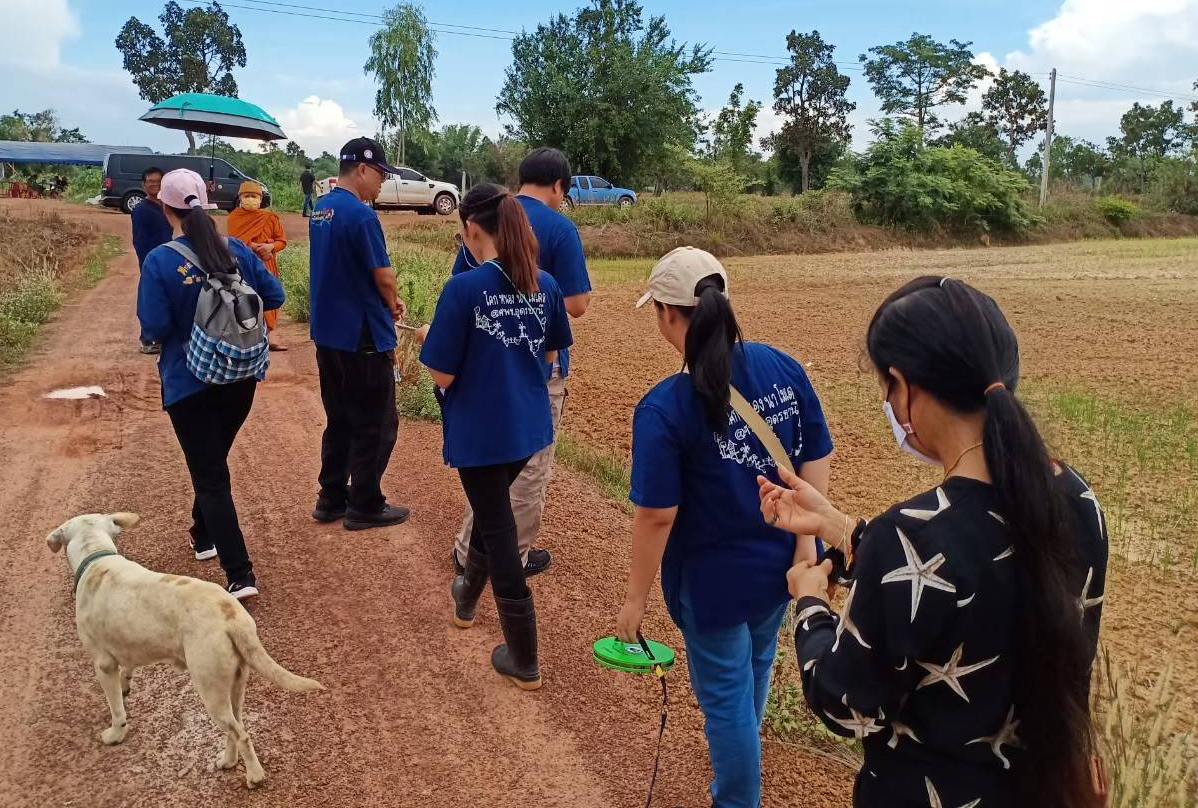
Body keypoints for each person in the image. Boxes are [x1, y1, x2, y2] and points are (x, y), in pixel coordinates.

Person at [758, 277, 1109, 808]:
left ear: (904, 387)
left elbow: (845, 703)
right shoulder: (1076, 499)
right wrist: (841, 528)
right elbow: (972, 566)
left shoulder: (912, 534)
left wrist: (809, 603)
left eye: (885, 390)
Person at [614, 246, 834, 808]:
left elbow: (658, 515)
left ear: (667, 313)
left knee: (726, 703)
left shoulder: (664, 407)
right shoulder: (782, 367)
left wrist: (634, 601)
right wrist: (804, 546)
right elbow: (815, 456)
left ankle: (737, 798)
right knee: (754, 674)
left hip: (710, 586)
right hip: (779, 569)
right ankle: (739, 775)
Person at [417, 184, 573, 690]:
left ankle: (524, 656)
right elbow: (550, 357)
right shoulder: (543, 283)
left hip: (482, 434)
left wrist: (431, 338)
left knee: (500, 530)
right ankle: (465, 598)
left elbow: (440, 374)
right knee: (491, 516)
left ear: (470, 230)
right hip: (527, 427)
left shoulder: (463, 288)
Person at [137, 169, 285, 601]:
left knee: (210, 474)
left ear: (165, 208)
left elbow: (154, 327)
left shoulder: (161, 260)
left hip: (189, 381)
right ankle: (202, 536)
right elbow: (273, 297)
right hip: (240, 376)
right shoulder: (236, 249)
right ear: (209, 204)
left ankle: (239, 574)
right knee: (213, 461)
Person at [450, 147, 592, 577]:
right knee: (529, 467)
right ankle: (513, 556)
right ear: (559, 186)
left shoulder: (488, 215)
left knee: (489, 466)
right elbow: (577, 305)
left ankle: (469, 551)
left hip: (484, 364)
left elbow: (463, 283)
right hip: (535, 367)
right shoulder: (559, 228)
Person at [307, 137, 410, 531]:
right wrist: (392, 301)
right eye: (381, 174)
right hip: (362, 334)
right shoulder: (362, 216)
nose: (383, 182)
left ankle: (331, 496)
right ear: (363, 169)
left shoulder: (322, 208)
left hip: (329, 331)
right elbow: (382, 274)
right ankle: (365, 502)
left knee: (340, 417)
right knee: (377, 422)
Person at [227, 180, 289, 351]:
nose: (251, 199)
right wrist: (254, 247)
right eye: (247, 196)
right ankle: (248, 339)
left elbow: (282, 241)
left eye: (254, 196)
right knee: (245, 300)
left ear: (261, 199)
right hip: (244, 266)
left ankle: (266, 337)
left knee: (269, 298)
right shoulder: (233, 217)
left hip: (267, 264)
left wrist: (270, 246)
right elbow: (234, 242)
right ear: (240, 199)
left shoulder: (270, 217)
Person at [131, 167, 174, 355]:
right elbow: (139, 240)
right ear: (144, 185)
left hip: (170, 260)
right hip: (152, 261)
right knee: (151, 301)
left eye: (158, 181)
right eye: (151, 182)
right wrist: (145, 264)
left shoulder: (167, 207)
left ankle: (165, 338)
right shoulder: (141, 210)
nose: (155, 185)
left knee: (169, 300)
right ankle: (147, 339)